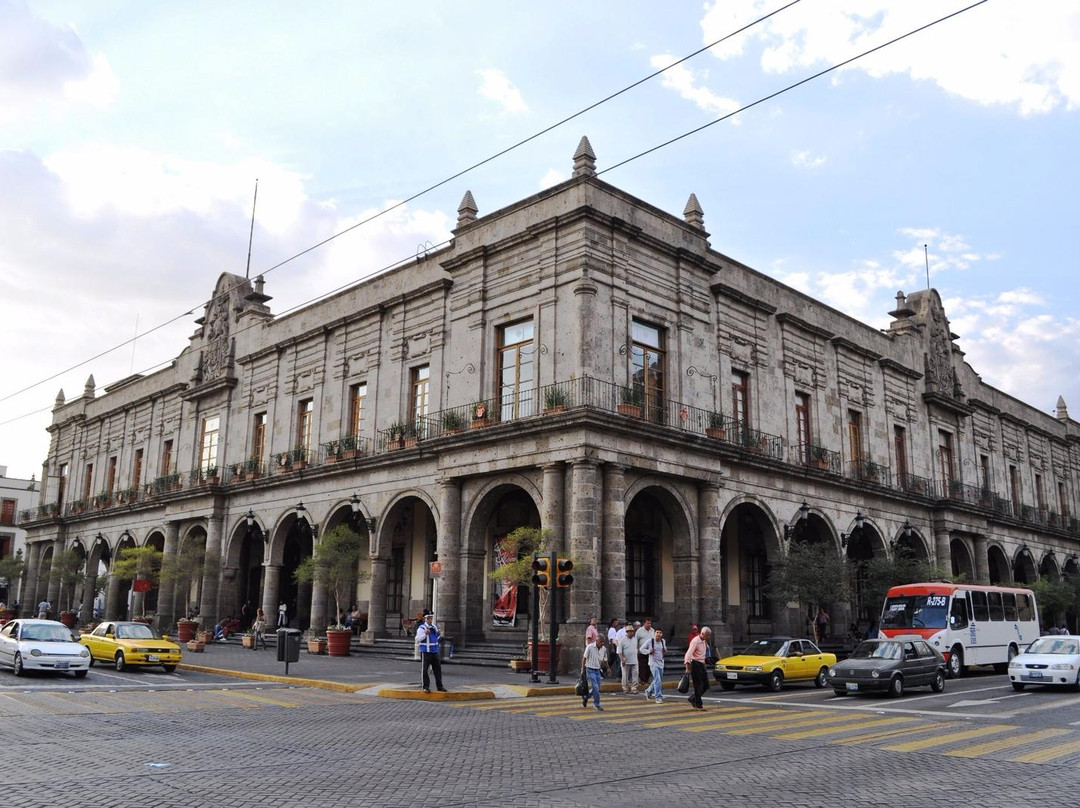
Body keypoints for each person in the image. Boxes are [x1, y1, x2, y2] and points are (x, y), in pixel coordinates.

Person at [416, 612, 447, 693]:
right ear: (425, 619)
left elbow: (436, 638)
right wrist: (425, 634)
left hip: (434, 651)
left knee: (437, 669)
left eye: (431, 618)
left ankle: (440, 686)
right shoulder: (421, 628)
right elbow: (417, 639)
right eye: (429, 618)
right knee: (425, 670)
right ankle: (425, 687)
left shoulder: (434, 627)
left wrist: (439, 635)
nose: (430, 620)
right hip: (426, 651)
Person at [684, 625, 712, 710]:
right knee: (698, 685)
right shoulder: (695, 641)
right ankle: (698, 704)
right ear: (702, 634)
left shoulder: (703, 641)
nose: (708, 637)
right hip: (695, 664)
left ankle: (693, 698)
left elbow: (704, 651)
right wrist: (687, 666)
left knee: (706, 685)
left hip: (701, 664)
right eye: (707, 635)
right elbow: (688, 653)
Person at [581, 633, 607, 711]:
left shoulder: (604, 649)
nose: (602, 643)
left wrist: (608, 668)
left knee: (597, 688)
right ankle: (596, 704)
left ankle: (586, 697)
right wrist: (583, 669)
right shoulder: (590, 647)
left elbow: (605, 659)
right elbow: (584, 658)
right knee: (595, 687)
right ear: (596, 640)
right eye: (601, 642)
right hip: (590, 669)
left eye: (603, 642)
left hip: (598, 670)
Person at [643, 627, 667, 703]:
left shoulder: (663, 641)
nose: (658, 634)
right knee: (658, 680)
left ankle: (648, 691)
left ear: (662, 634)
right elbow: (641, 649)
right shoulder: (650, 641)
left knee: (657, 679)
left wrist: (665, 650)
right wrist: (648, 651)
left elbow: (664, 649)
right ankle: (658, 697)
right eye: (657, 632)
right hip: (653, 663)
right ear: (654, 633)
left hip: (661, 663)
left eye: (660, 633)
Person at [617, 621, 640, 694]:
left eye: (633, 631)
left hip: (634, 660)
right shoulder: (622, 640)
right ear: (627, 632)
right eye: (631, 632)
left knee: (635, 674)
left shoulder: (634, 639)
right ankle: (625, 688)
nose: (632, 633)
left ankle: (634, 688)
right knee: (625, 676)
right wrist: (622, 659)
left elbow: (636, 648)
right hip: (626, 661)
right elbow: (619, 651)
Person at [636, 618, 654, 686]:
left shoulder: (652, 630)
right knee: (642, 666)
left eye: (650, 623)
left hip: (650, 652)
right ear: (644, 623)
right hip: (642, 651)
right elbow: (636, 640)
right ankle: (642, 679)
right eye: (647, 623)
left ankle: (647, 679)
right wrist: (637, 650)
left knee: (648, 666)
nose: (649, 625)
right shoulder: (639, 631)